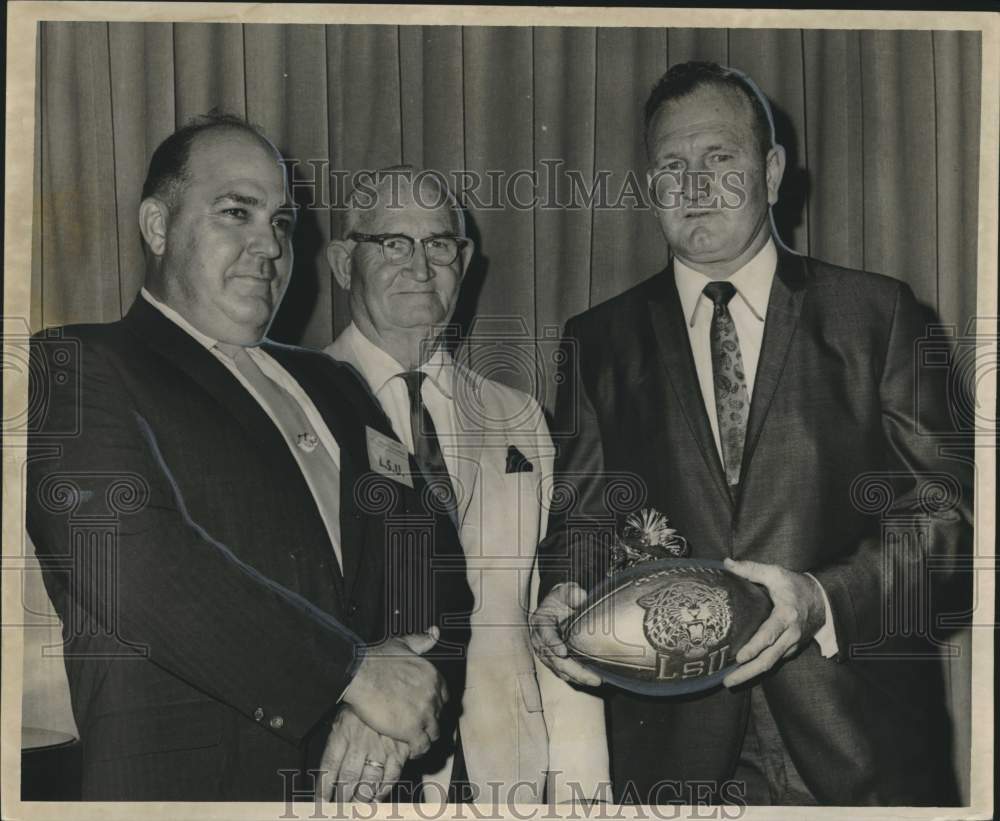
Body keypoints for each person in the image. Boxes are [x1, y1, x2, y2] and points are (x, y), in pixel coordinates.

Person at [530, 61, 971, 806]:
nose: (695, 185)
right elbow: (583, 518)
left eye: (720, 158)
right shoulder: (598, 341)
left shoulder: (878, 315)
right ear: (649, 188)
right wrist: (563, 590)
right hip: (674, 752)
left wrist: (821, 598)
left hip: (859, 749)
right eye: (672, 165)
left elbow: (952, 525)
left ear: (771, 172)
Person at [26, 115, 472, 802]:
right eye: (237, 212)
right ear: (156, 226)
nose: (268, 244)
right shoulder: (76, 363)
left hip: (375, 790)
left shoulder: (336, 385)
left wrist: (393, 713)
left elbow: (431, 559)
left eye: (282, 222)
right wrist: (352, 676)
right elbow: (126, 555)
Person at [325, 167, 609, 803]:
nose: (420, 266)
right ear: (345, 261)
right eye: (392, 243)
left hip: (507, 769)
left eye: (439, 244)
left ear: (466, 261)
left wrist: (580, 790)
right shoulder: (298, 405)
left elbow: (547, 609)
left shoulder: (519, 416)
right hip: (361, 769)